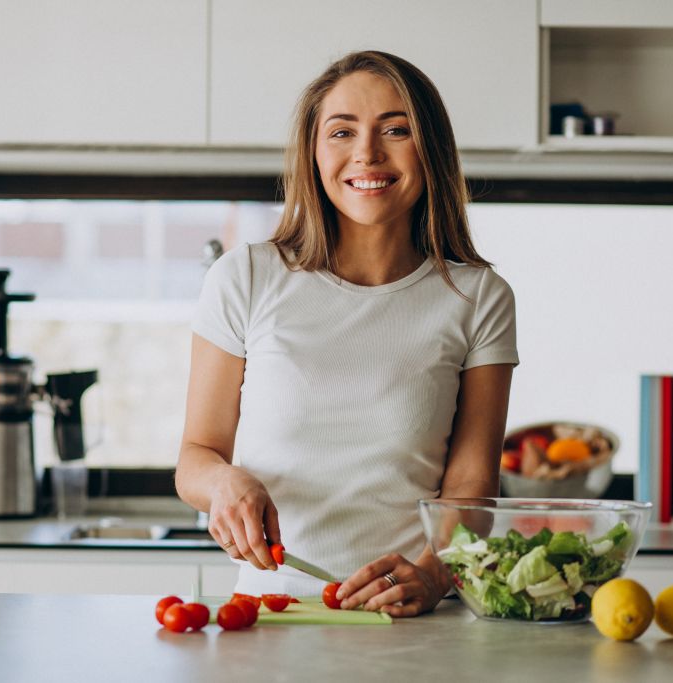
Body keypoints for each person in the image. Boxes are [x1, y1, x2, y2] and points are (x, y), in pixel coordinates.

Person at [175, 50, 518, 617]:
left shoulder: (479, 297)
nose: (367, 154)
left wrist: (432, 576)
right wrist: (225, 484)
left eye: (396, 129)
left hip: (411, 619)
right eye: (342, 131)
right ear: (313, 151)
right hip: (271, 614)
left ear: (430, 149)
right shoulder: (246, 276)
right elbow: (196, 457)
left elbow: (471, 486)